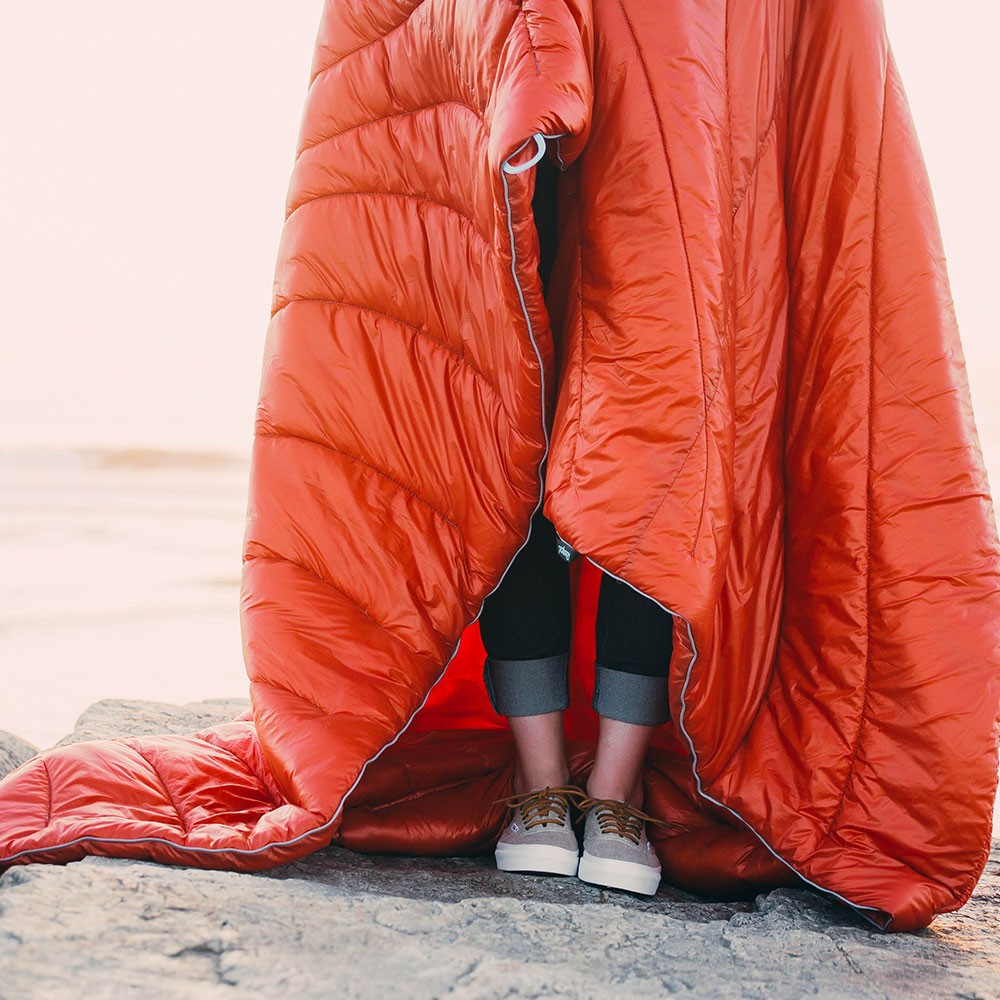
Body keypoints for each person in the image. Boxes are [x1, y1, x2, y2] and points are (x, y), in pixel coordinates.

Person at [477, 153, 674, 898]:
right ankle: (545, 789)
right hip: (525, 149)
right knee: (510, 433)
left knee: (655, 455)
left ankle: (615, 799)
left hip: (661, 144)